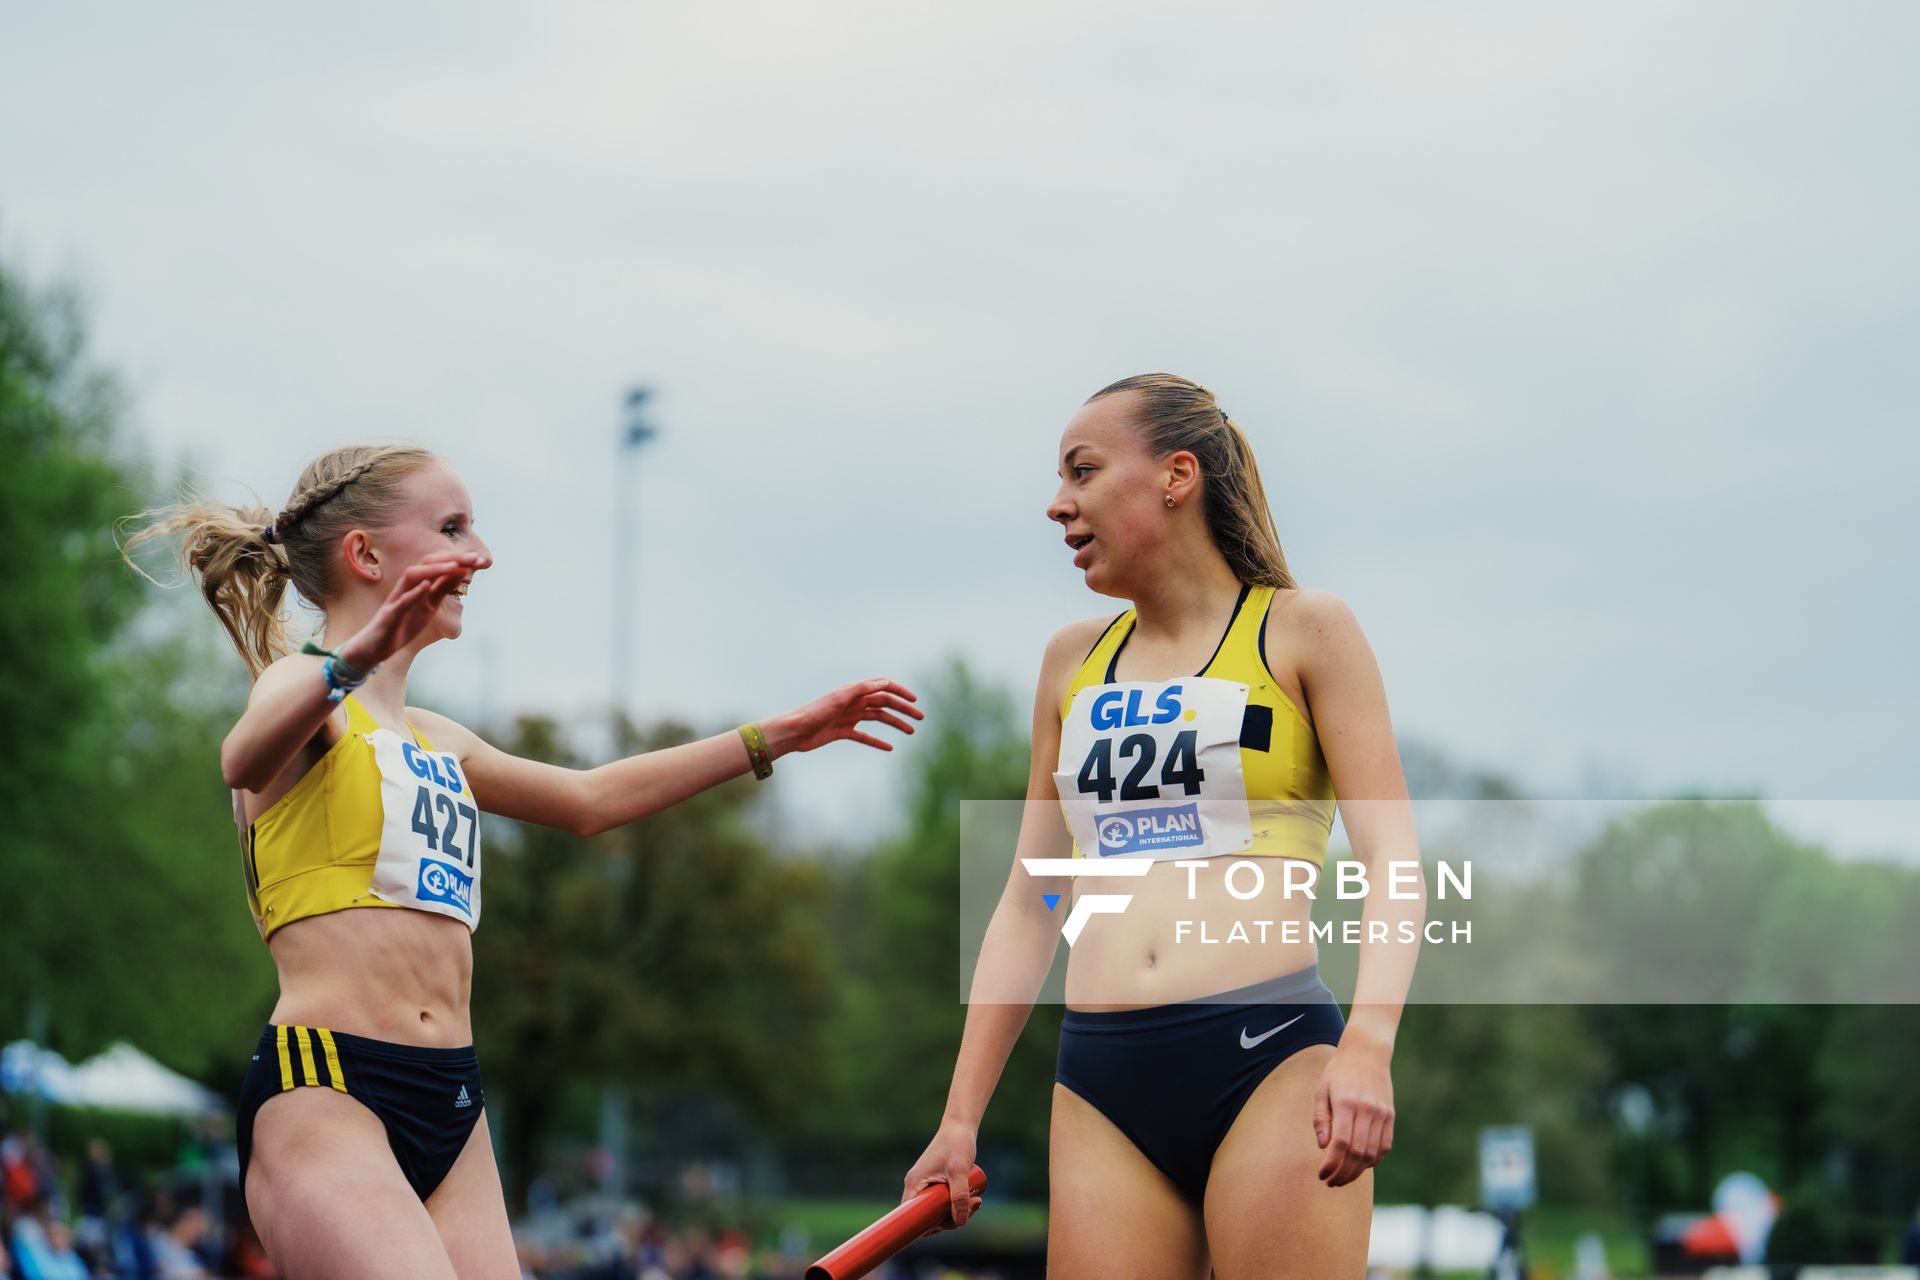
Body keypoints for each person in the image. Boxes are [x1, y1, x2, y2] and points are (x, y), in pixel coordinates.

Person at [124, 444, 922, 1280]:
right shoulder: (305, 697)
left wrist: (779, 736)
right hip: (330, 1090)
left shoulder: (437, 740)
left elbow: (591, 801)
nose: (482, 553)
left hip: (454, 1100)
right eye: (453, 527)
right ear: (365, 555)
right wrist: (357, 657)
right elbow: (243, 756)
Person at [902, 375, 1423, 1278]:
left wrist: (1370, 1044)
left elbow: (1396, 863)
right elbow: (1032, 901)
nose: (1058, 504)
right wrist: (958, 1118)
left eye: (1083, 471)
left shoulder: (1305, 633)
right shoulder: (1073, 661)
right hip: (1101, 1081)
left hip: (1270, 1061)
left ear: (1177, 476)